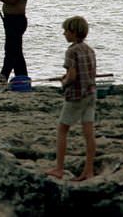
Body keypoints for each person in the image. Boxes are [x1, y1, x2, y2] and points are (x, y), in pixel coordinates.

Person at [45, 16, 97, 182]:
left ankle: (59, 168)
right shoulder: (89, 50)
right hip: (90, 94)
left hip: (76, 96)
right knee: (88, 133)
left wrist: (64, 81)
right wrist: (68, 76)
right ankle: (88, 170)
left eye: (66, 31)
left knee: (62, 129)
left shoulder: (71, 51)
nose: (64, 34)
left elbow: (72, 76)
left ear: (73, 33)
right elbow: (90, 73)